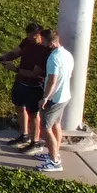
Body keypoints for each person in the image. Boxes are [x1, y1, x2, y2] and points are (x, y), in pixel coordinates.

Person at [0, 22, 50, 151]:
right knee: (20, 107)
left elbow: (35, 73)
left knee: (34, 114)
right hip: (21, 82)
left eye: (34, 37)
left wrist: (15, 69)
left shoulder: (45, 51)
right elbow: (16, 52)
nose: (30, 39)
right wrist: (5, 57)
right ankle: (24, 135)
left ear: (40, 35)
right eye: (28, 36)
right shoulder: (27, 41)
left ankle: (35, 141)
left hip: (35, 86)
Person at [36, 28, 75, 173]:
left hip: (54, 99)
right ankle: (55, 153)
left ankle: (54, 162)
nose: (41, 43)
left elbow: (52, 80)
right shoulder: (67, 54)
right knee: (56, 124)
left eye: (43, 41)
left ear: (51, 43)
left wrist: (45, 98)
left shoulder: (53, 58)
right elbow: (69, 74)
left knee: (45, 128)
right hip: (64, 96)